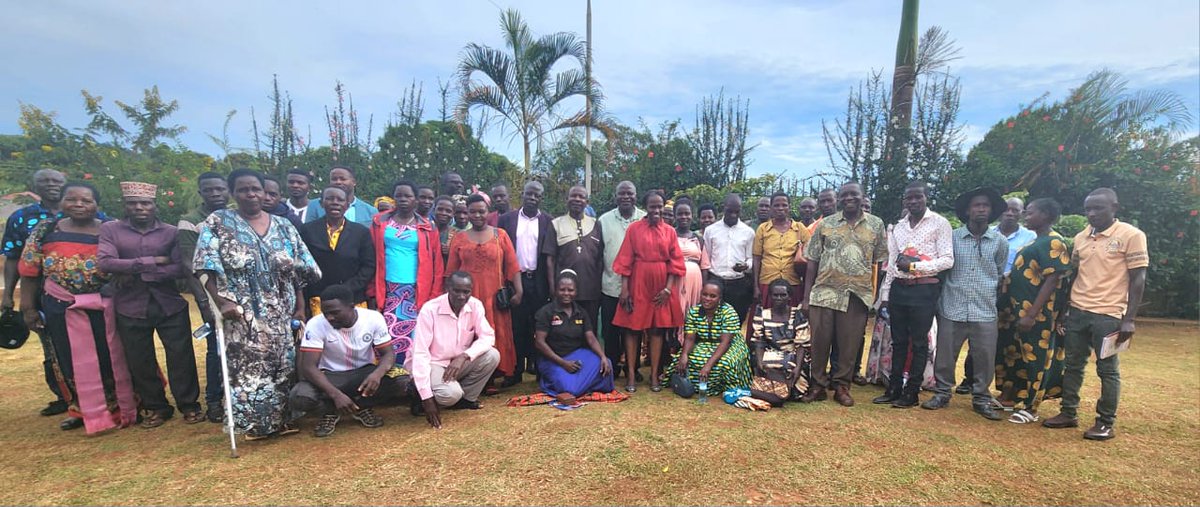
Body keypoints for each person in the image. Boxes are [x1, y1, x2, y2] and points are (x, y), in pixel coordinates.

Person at [193, 168, 320, 439]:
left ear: (265, 192)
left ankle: (283, 421)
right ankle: (255, 426)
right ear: (233, 193)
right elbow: (205, 268)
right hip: (241, 310)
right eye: (243, 189)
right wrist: (222, 302)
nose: (251, 194)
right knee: (248, 368)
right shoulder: (218, 221)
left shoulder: (284, 226)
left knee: (282, 365)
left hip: (281, 308)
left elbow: (300, 271)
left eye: (256, 189)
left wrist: (300, 306)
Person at [20, 182, 136, 434]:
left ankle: (121, 405)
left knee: (112, 354)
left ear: (97, 204)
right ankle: (80, 409)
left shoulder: (111, 229)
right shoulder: (45, 230)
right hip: (61, 304)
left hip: (104, 303)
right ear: (62, 202)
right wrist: (27, 307)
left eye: (86, 200)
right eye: (72, 199)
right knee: (67, 357)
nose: (79, 205)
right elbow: (29, 272)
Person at [1043, 188, 1147, 441]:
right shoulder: (1081, 238)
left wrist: (1129, 319)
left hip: (1109, 315)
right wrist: (1065, 309)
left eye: (1098, 208)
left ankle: (1105, 422)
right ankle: (1068, 412)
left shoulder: (1131, 235)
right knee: (1073, 365)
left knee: (1108, 370)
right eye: (1088, 208)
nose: (1092, 213)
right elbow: (1075, 275)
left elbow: (1138, 278)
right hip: (1078, 311)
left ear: (1115, 207)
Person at [97, 181, 201, 428]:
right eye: (133, 203)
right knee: (139, 358)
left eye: (145, 203)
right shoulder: (111, 230)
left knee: (181, 356)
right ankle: (156, 407)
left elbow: (179, 268)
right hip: (130, 305)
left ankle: (189, 405)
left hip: (169, 304)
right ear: (126, 205)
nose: (139, 208)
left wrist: (133, 268)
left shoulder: (171, 231)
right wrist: (153, 261)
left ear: (155, 205)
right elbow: (105, 262)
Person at [921, 187, 1007, 420]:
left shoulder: (999, 242)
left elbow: (999, 273)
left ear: (991, 211)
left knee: (984, 356)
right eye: (976, 205)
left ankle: (981, 398)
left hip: (985, 308)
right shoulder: (953, 238)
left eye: (985, 206)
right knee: (946, 355)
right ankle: (942, 393)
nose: (981, 209)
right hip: (953, 305)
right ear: (967, 210)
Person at [801, 182, 887, 407]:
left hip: (856, 295)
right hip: (823, 293)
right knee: (819, 343)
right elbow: (812, 261)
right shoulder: (826, 224)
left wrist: (874, 296)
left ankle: (841, 386)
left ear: (862, 197)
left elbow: (878, 263)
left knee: (848, 346)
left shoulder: (876, 225)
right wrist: (806, 296)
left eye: (854, 194)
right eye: (844, 195)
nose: (849, 198)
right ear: (839, 199)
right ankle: (818, 385)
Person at [873, 182, 954, 409]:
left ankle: (912, 393)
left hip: (924, 289)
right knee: (898, 341)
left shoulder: (939, 223)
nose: (913, 202)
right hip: (899, 288)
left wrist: (916, 267)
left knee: (919, 343)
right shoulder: (898, 227)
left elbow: (948, 259)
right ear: (904, 201)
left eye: (918, 197)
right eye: (909, 198)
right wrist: (885, 295)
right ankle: (894, 388)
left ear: (927, 198)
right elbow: (891, 263)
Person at [992, 198, 1071, 425]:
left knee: (1037, 356)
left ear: (1046, 215)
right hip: (1014, 310)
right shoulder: (1037, 240)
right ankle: (1010, 397)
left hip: (1037, 313)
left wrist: (1031, 314)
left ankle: (1031, 406)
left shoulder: (1054, 243)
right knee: (1014, 354)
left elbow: (1053, 279)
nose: (1026, 214)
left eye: (1031, 212)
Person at [291, 285, 402, 437]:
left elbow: (388, 354)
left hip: (363, 374)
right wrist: (335, 395)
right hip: (330, 377)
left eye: (335, 313)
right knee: (299, 396)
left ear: (351, 307)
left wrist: (377, 374)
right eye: (326, 313)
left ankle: (360, 407)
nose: (330, 318)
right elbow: (308, 367)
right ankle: (330, 411)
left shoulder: (373, 318)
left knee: (401, 380)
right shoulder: (315, 324)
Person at [2, 168, 69, 416]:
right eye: (45, 181)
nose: (51, 184)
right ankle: (64, 396)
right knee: (52, 347)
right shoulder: (22, 217)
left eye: (56, 180)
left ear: (64, 183)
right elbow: (12, 258)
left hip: (88, 293)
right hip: (41, 293)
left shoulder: (88, 213)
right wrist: (9, 295)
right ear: (34, 185)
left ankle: (102, 395)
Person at [611, 191, 686, 392]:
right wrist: (625, 290)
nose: (656, 210)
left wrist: (668, 290)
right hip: (638, 282)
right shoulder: (634, 229)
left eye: (659, 206)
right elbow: (625, 260)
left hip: (661, 286)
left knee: (656, 329)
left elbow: (675, 262)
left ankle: (654, 375)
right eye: (652, 206)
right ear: (646, 207)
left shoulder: (670, 231)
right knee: (633, 328)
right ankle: (631, 376)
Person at [408, 271, 501, 428]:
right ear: (447, 288)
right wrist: (427, 399)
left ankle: (465, 400)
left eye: (466, 292)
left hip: (457, 362)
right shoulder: (430, 310)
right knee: (450, 395)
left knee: (492, 355)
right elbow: (420, 354)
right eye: (456, 291)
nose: (461, 296)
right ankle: (419, 392)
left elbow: (487, 337)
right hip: (433, 363)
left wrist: (464, 356)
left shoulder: (475, 305)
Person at [446, 194, 521, 387]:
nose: (477, 215)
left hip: (494, 296)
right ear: (466, 214)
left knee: (495, 333)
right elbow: (452, 271)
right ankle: (474, 376)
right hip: (466, 297)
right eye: (473, 211)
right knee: (470, 335)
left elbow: (512, 266)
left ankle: (495, 375)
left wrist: (519, 291)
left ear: (489, 212)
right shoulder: (460, 238)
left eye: (482, 211)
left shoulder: (500, 235)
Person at [369, 181, 444, 371]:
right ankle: (388, 376)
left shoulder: (427, 227)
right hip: (388, 290)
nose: (403, 199)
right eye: (399, 195)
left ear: (416, 200)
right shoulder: (380, 222)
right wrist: (371, 291)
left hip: (415, 291)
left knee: (415, 335)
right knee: (386, 332)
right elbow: (371, 257)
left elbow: (437, 265)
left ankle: (410, 377)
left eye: (408, 196)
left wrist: (433, 296)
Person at [176, 171, 229, 423]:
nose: (215, 194)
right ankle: (214, 401)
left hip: (237, 293)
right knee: (215, 349)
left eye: (220, 189)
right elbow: (189, 265)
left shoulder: (235, 216)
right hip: (210, 293)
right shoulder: (190, 221)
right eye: (209, 190)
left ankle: (235, 397)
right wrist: (206, 301)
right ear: (201, 193)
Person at [497, 181, 552, 386]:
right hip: (513, 281)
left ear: (542, 198)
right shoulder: (506, 219)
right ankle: (516, 370)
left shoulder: (548, 221)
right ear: (522, 195)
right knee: (516, 327)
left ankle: (540, 369)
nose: (532, 198)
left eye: (537, 195)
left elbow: (549, 257)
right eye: (529, 194)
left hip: (538, 282)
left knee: (539, 326)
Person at [534, 270, 614, 397]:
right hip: (552, 359)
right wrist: (563, 363)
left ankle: (579, 382)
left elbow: (591, 338)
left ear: (576, 292)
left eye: (570, 290)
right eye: (562, 289)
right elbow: (539, 342)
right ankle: (552, 383)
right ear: (556, 290)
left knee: (606, 364)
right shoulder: (546, 312)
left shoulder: (581, 312)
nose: (566, 293)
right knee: (571, 390)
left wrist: (603, 356)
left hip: (577, 356)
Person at [666, 279, 752, 395]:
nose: (707, 299)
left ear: (720, 298)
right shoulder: (694, 312)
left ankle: (727, 389)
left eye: (712, 296)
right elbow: (690, 338)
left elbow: (725, 343)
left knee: (726, 362)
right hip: (703, 342)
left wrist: (708, 366)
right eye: (704, 294)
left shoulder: (729, 312)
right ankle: (691, 386)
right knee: (683, 359)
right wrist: (684, 355)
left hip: (729, 344)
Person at [300, 187, 375, 315]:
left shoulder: (361, 232)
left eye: (340, 200)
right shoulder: (307, 230)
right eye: (329, 198)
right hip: (318, 299)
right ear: (321, 203)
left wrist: (346, 289)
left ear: (347, 205)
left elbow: (369, 266)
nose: (335, 202)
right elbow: (302, 265)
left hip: (353, 298)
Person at [598, 181, 645, 378]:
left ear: (636, 195)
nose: (626, 197)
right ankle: (612, 366)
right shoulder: (603, 220)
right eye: (622, 194)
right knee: (610, 330)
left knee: (634, 329)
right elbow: (599, 254)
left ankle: (632, 367)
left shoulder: (644, 218)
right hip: (610, 284)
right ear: (615, 196)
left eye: (630, 193)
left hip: (638, 287)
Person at [544, 185, 605, 334]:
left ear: (587, 201)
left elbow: (600, 258)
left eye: (581, 197)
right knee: (566, 331)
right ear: (567, 199)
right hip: (565, 291)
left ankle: (588, 358)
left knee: (590, 330)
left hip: (591, 290)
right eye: (573, 196)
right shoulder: (556, 224)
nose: (577, 199)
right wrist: (553, 288)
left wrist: (598, 285)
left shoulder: (595, 224)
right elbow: (550, 259)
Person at [747, 279, 813, 402]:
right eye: (775, 295)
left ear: (789, 297)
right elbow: (759, 342)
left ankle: (776, 391)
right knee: (762, 363)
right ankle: (778, 391)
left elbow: (801, 345)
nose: (779, 298)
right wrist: (760, 362)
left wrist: (798, 368)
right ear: (770, 296)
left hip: (793, 355)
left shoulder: (798, 315)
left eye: (783, 295)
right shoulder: (762, 314)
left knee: (790, 368)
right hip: (769, 353)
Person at [752, 192, 811, 308]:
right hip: (767, 282)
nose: (780, 208)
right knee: (765, 319)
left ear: (789, 207)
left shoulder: (800, 229)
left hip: (792, 283)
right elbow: (757, 258)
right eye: (776, 205)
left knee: (791, 320)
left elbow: (810, 258)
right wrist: (755, 287)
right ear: (771, 208)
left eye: (784, 205)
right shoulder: (763, 229)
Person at [704, 194, 757, 321]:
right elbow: (707, 258)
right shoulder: (711, 230)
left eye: (737, 212)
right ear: (723, 208)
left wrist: (746, 266)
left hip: (738, 284)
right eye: (730, 211)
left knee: (736, 319)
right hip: (716, 281)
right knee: (713, 319)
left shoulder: (748, 232)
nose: (733, 215)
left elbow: (750, 258)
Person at [305, 166, 378, 227]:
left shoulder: (370, 211)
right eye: (334, 179)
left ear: (354, 182)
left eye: (343, 179)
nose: (338, 182)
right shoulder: (314, 205)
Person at [672, 201, 709, 313]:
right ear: (675, 216)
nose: (684, 217)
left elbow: (704, 266)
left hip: (695, 282)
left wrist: (704, 287)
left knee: (692, 311)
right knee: (674, 309)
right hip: (673, 281)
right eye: (680, 214)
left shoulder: (699, 239)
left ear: (692, 216)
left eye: (687, 213)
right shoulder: (669, 235)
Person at [995, 197, 1036, 275]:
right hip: (986, 283)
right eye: (1006, 210)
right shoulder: (987, 233)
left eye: (1015, 211)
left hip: (1015, 284)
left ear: (1023, 214)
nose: (1010, 213)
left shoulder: (1030, 237)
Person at [432, 195, 455, 263]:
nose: (443, 213)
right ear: (433, 210)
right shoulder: (425, 231)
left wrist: (451, 252)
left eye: (448, 211)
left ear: (453, 214)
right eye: (440, 209)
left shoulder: (457, 235)